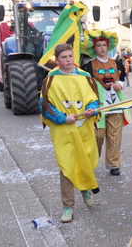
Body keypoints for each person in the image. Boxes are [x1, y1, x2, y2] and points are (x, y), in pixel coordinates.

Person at [40, 43, 100, 223]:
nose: (68, 60)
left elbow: (95, 100)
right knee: (66, 166)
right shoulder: (51, 79)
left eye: (70, 56)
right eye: (64, 57)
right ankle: (68, 206)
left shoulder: (85, 76)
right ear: (57, 60)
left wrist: (91, 110)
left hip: (84, 129)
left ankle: (86, 188)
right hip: (63, 130)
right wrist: (62, 118)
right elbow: (45, 106)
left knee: (85, 161)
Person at [82, 31, 129, 176]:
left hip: (115, 104)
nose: (102, 48)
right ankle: (91, 162)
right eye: (99, 46)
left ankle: (114, 164)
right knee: (98, 135)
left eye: (104, 45)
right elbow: (85, 85)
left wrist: (120, 84)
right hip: (99, 106)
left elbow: (124, 79)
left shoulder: (117, 63)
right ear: (94, 48)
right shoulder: (89, 66)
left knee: (115, 134)